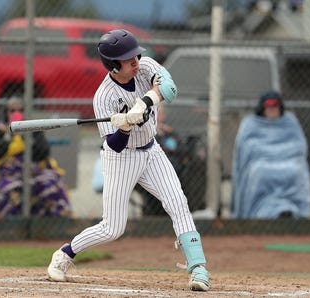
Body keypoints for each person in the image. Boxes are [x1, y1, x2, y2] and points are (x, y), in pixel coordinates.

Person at [46, 29, 210, 291]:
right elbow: (114, 145)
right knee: (113, 228)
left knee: (178, 202)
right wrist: (124, 127)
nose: (135, 61)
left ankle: (198, 268)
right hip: (121, 159)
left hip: (151, 150)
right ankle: (64, 254)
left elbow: (170, 87)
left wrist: (145, 102)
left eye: (135, 55)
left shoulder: (144, 67)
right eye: (127, 59)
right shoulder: (104, 96)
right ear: (113, 64)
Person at [0, 97, 71, 221]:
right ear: (6, 113)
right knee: (10, 188)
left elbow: (43, 152)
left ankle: (55, 222)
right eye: (12, 111)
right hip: (7, 172)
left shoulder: (32, 128)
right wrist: (9, 136)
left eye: (20, 110)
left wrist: (27, 137)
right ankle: (9, 224)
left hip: (32, 171)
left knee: (52, 181)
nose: (16, 113)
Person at [230, 90, 310, 219]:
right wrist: (265, 153)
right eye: (269, 106)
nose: (272, 109)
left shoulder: (290, 121)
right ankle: (261, 212)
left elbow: (299, 146)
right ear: (262, 108)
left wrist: (278, 152)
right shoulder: (250, 124)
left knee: (297, 170)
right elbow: (245, 147)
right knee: (259, 171)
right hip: (260, 164)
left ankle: (291, 211)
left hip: (289, 161)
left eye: (275, 106)